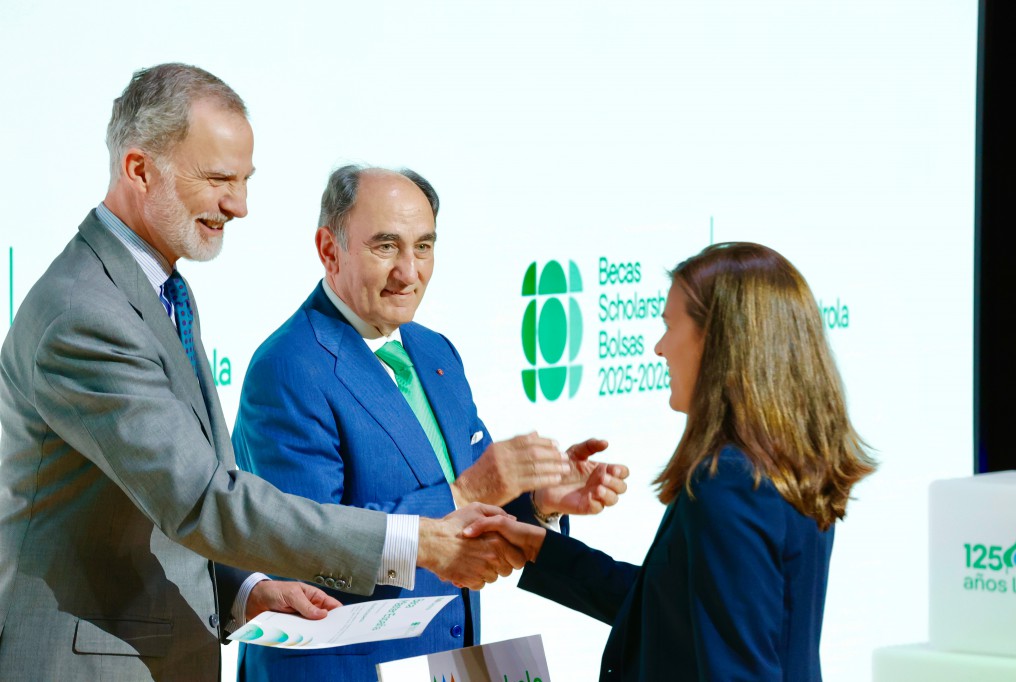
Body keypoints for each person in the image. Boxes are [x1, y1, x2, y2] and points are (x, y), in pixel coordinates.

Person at [0, 64, 523, 682]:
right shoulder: (85, 314)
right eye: (219, 179)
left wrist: (246, 591)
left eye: (245, 180)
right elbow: (202, 499)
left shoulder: (158, 288)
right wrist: (416, 540)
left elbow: (163, 500)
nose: (240, 206)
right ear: (139, 170)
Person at [231, 164, 630, 681]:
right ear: (330, 250)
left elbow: (474, 504)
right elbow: (305, 551)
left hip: (447, 662)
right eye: (385, 247)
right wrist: (470, 490)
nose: (409, 272)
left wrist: (538, 501)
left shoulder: (435, 351)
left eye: (423, 247)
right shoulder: (287, 367)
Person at [465, 242, 877, 681]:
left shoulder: (732, 483)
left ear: (717, 341)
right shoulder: (779, 462)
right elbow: (673, 612)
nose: (659, 348)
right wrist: (540, 546)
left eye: (669, 326)